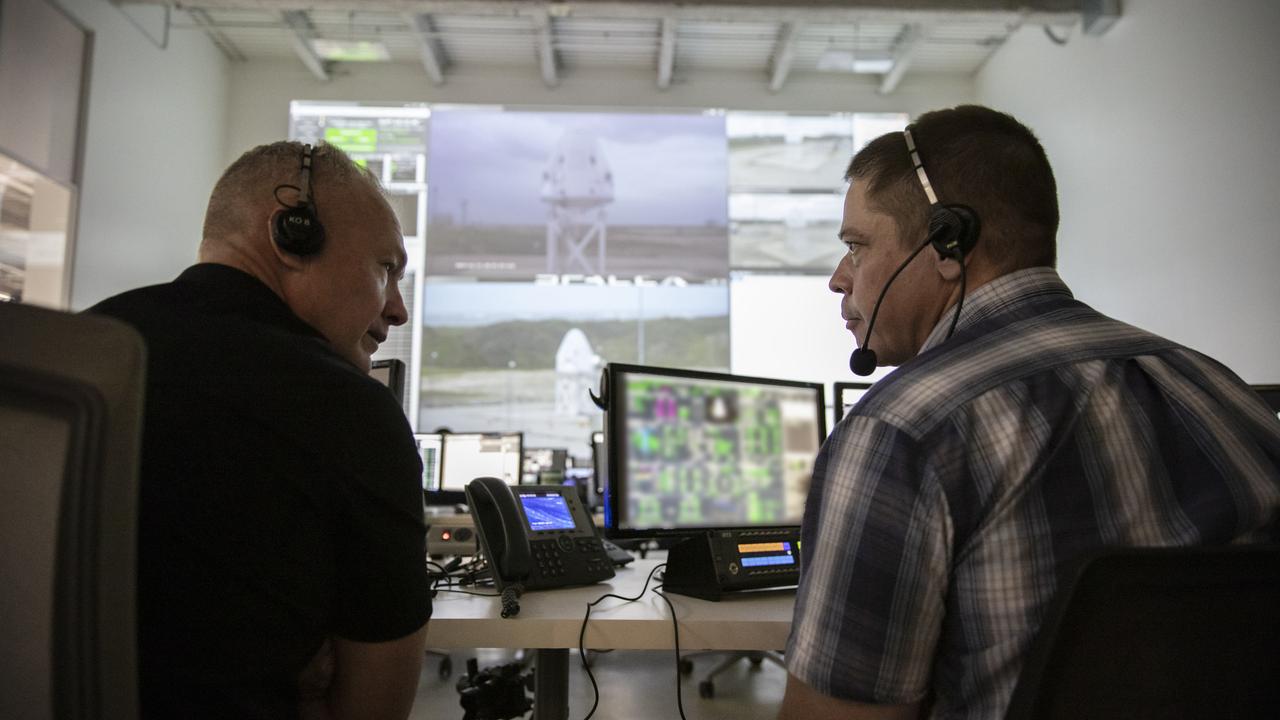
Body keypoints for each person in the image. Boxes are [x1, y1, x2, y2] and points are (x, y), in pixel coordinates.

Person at [779, 105, 1280, 720]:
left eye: (857, 246)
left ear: (946, 243)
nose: (838, 279)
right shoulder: (1220, 389)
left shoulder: (903, 430)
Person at [89, 141, 432, 719]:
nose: (397, 309)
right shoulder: (350, 412)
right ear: (292, 235)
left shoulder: (76, 354)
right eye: (386, 269)